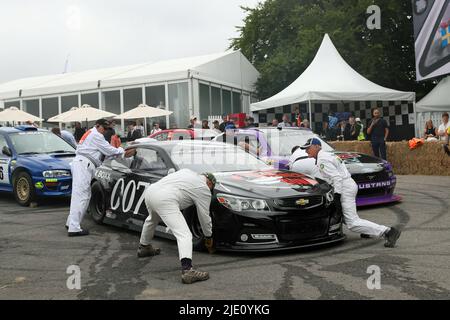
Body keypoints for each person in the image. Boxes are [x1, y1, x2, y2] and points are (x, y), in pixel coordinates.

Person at [300, 138, 401, 247]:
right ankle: (368, 230)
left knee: (352, 223)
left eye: (308, 148)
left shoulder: (322, 159)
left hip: (344, 188)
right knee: (343, 214)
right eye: (305, 149)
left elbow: (337, 178)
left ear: (317, 146)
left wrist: (337, 196)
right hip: (347, 184)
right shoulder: (328, 155)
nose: (306, 151)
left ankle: (388, 231)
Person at [137, 169, 216, 284]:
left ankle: (144, 247)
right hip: (166, 198)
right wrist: (209, 236)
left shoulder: (186, 172)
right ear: (209, 183)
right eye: (211, 188)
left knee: (152, 219)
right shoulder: (203, 188)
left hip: (150, 192)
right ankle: (188, 270)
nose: (210, 190)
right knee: (184, 234)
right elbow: (204, 217)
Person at [66, 119, 135, 236]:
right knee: (82, 196)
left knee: (82, 195)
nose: (105, 131)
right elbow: (109, 150)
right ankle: (74, 228)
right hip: (84, 164)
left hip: (82, 163)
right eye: (104, 128)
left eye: (107, 129)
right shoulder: (96, 135)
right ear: (97, 126)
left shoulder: (91, 133)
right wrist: (122, 151)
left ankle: (71, 223)